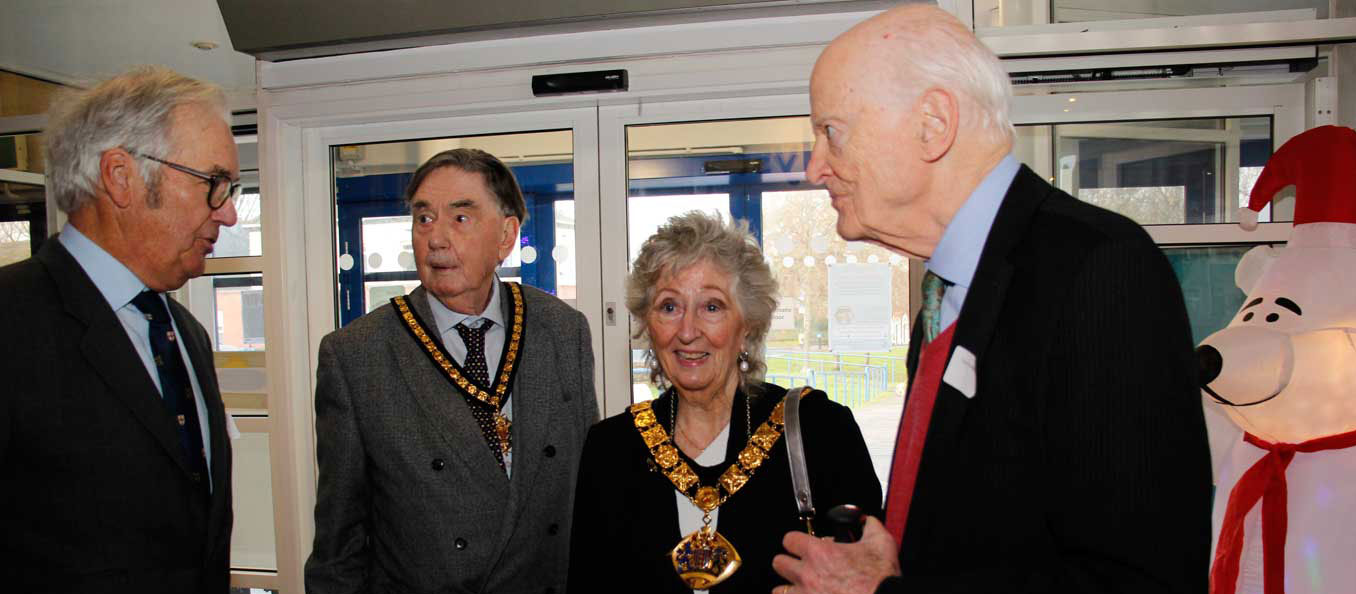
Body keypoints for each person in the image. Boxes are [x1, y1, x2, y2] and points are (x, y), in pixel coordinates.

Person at [771, 5, 1212, 594]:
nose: (815, 167)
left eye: (831, 131)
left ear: (933, 124)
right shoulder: (947, 291)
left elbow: (1139, 579)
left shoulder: (1097, 269)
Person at [305, 148, 599, 593]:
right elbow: (338, 546)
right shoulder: (356, 355)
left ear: (506, 235)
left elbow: (587, 496)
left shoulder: (563, 331)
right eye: (424, 219)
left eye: (460, 218)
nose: (435, 238)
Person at [0, 66, 240, 592]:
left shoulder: (186, 334)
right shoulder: (11, 323)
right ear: (120, 176)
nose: (230, 216)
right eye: (215, 184)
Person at [568, 211, 881, 593]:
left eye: (711, 307)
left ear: (747, 322)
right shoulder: (610, 448)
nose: (687, 331)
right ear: (648, 324)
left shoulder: (820, 431)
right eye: (669, 307)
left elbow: (871, 577)